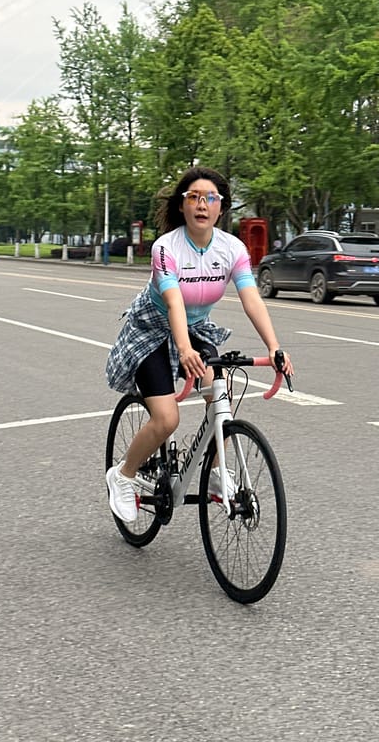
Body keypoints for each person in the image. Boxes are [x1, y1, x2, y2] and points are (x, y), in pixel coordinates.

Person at [105, 166, 294, 522]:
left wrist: (274, 347)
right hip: (151, 330)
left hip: (194, 327)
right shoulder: (166, 247)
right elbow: (174, 301)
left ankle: (220, 472)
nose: (202, 204)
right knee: (166, 419)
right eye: (194, 197)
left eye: (210, 198)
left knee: (218, 393)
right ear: (182, 205)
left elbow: (252, 298)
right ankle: (123, 475)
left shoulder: (232, 248)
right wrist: (183, 349)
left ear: (221, 207)